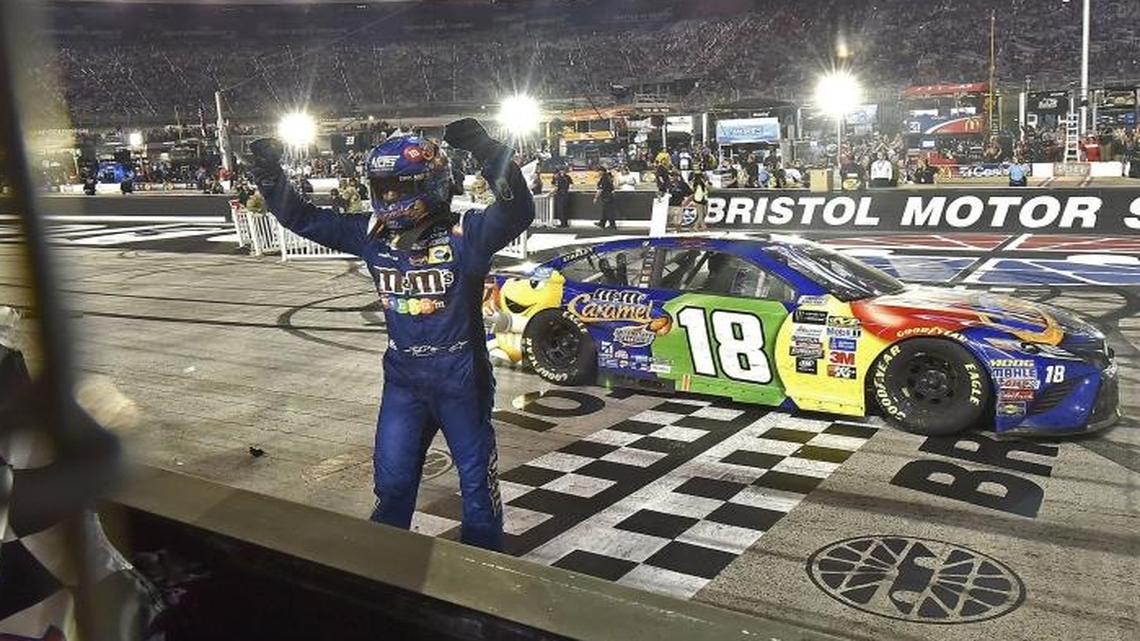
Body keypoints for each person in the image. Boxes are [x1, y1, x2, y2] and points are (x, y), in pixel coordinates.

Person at [248, 119, 533, 551]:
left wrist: (486, 148)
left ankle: (484, 583)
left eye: (400, 187)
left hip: (461, 380)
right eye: (382, 188)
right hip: (403, 382)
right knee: (393, 488)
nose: (390, 198)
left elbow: (518, 211)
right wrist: (269, 173)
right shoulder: (372, 234)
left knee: (476, 492)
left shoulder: (466, 234)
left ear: (432, 183)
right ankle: (386, 575)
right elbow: (302, 218)